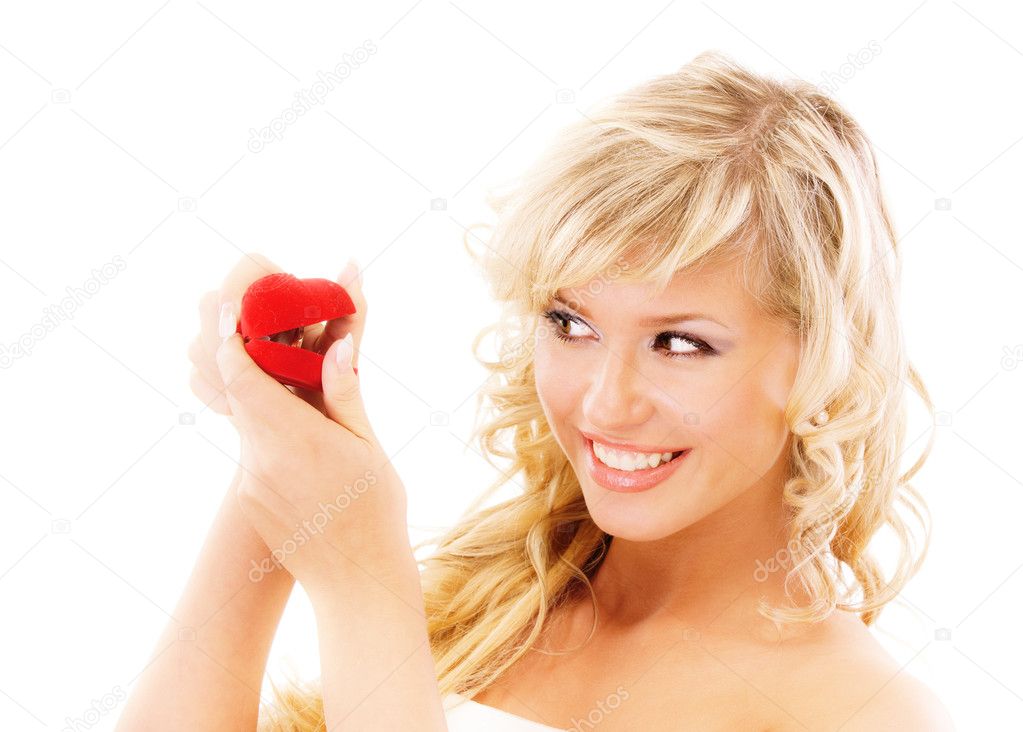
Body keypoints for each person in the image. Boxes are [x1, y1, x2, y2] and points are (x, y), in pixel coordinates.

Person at [117, 50, 954, 730]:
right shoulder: (491, 606)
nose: (603, 403)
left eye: (678, 343)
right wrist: (277, 445)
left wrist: (358, 585)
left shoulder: (864, 716)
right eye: (571, 323)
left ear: (820, 361)